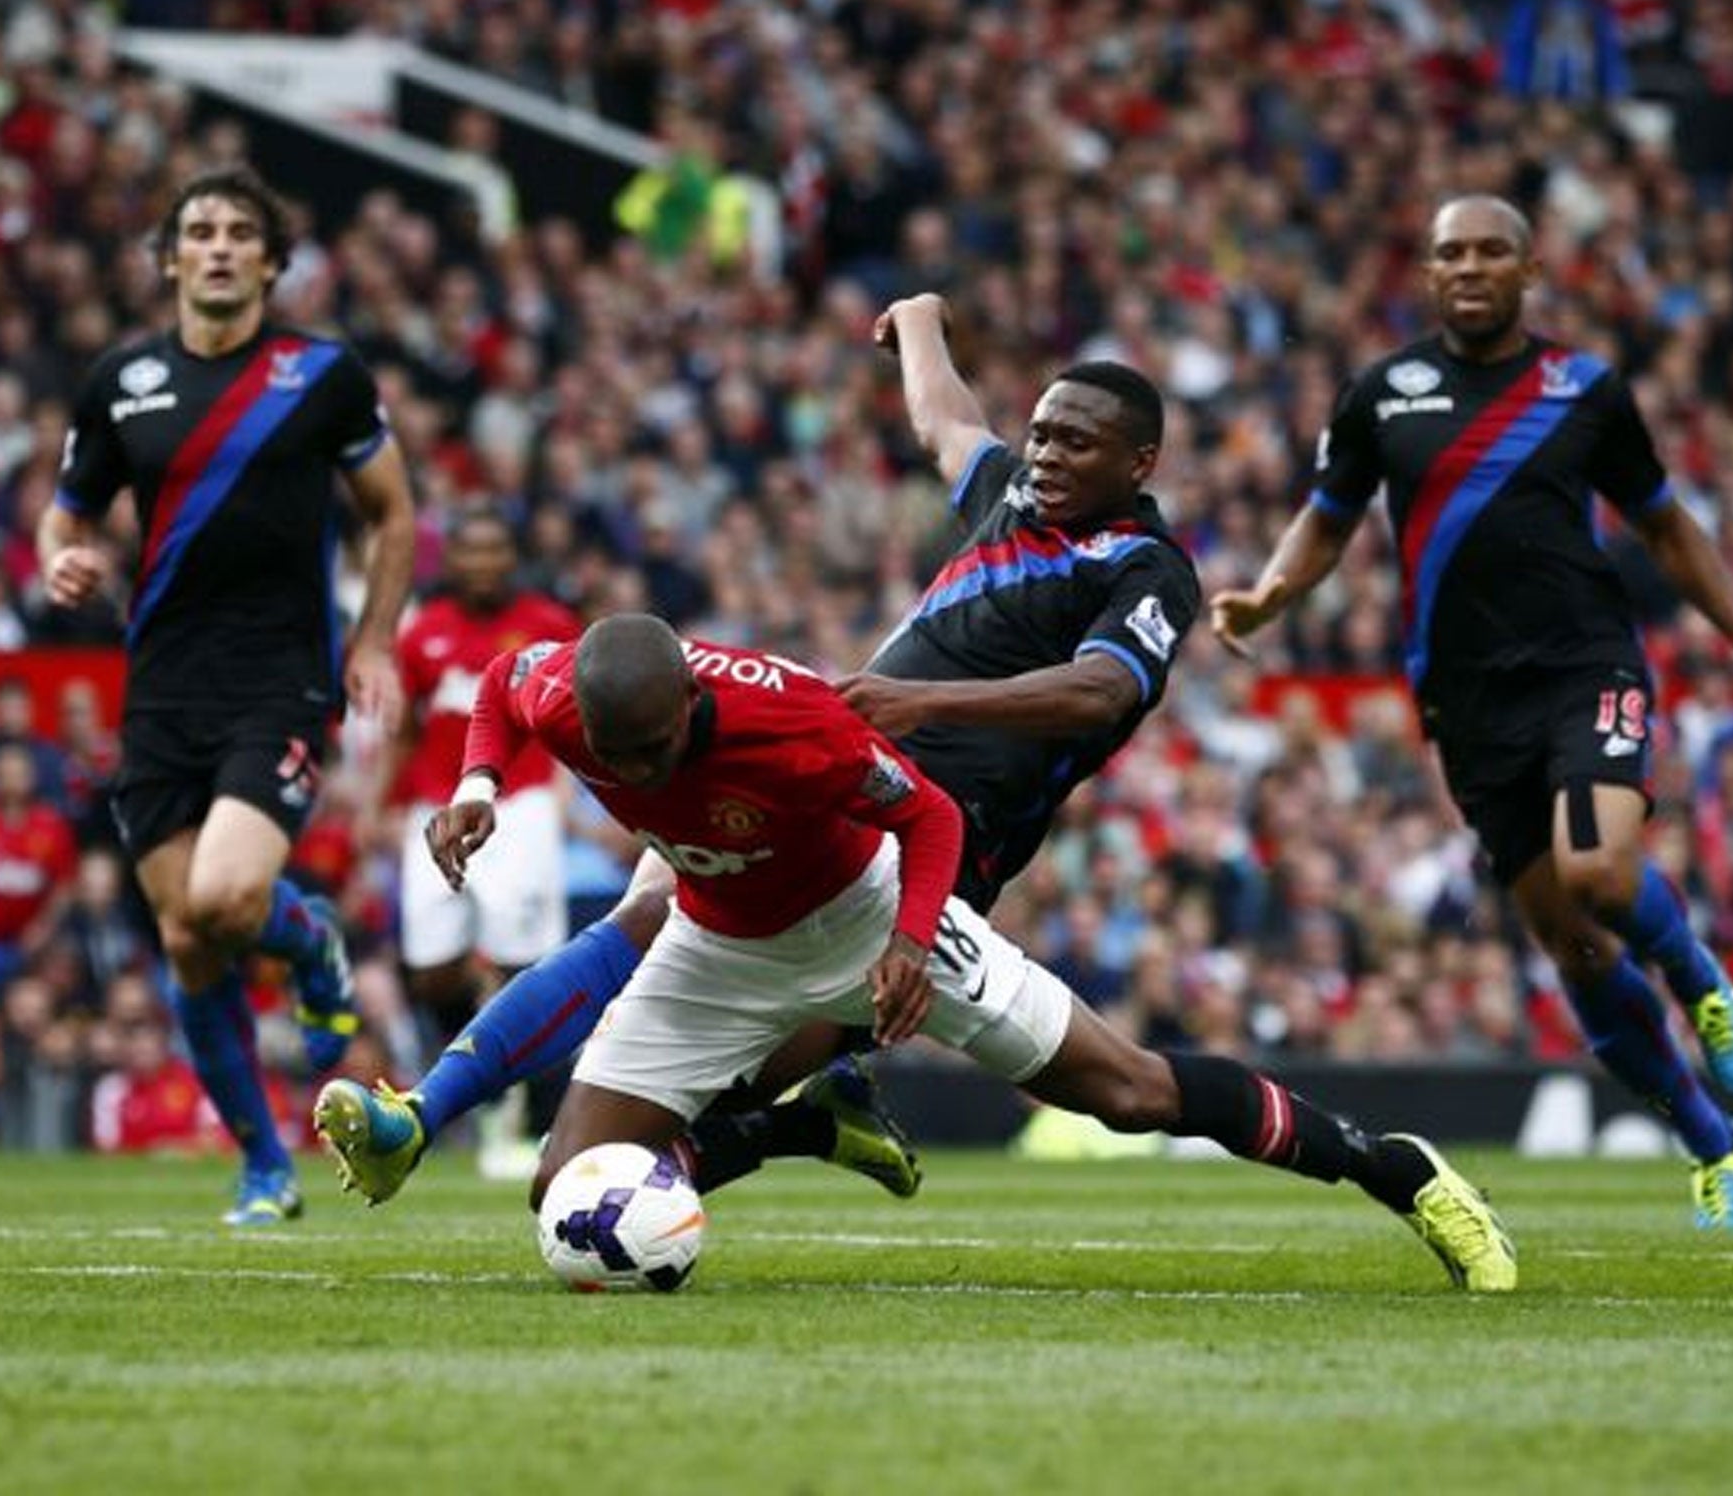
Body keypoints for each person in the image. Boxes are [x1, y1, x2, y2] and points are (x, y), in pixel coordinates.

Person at [315, 298, 1207, 1203]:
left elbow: (1100, 689)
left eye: (1072, 443)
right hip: (843, 776)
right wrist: (927, 321)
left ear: (1136, 462)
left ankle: (778, 1117)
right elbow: (947, 421)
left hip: (940, 821)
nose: (1046, 457)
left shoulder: (1141, 568)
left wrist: (925, 700)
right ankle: (444, 1116)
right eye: (1043, 437)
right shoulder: (1013, 498)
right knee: (664, 940)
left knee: (738, 1018)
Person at [388, 615, 1518, 1290]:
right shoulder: (569, 694)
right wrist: (479, 783)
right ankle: (802, 1123)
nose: (634, 776)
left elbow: (928, 816)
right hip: (715, 944)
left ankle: (1392, 1168)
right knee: (561, 1193)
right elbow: (499, 685)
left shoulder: (793, 723)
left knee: (1128, 1093)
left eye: (654, 749)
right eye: (615, 757)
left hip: (870, 916)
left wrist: (914, 943)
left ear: (690, 695)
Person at [1210, 194, 1733, 1230]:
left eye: (1491, 251)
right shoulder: (1378, 396)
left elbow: (1668, 532)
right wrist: (1269, 595)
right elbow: (1325, 519)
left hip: (1585, 664)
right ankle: (1711, 1145)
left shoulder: (1582, 389)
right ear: (1428, 272)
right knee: (1571, 946)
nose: (1469, 267)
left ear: (1528, 270)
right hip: (1465, 697)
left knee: (1599, 874)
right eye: (1450, 253)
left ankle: (1693, 973)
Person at [38, 165, 417, 1226]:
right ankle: (263, 1163)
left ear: (269, 259)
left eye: (237, 232)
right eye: (197, 230)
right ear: (169, 257)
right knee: (189, 941)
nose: (215, 246)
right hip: (160, 691)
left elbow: (392, 513)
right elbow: (64, 516)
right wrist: (58, 559)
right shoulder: (121, 382)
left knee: (223, 901)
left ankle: (310, 941)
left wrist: (375, 636)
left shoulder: (320, 374)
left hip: (281, 683)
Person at [372, 502, 579, 1173]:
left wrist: (572, 800)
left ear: (511, 558)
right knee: (431, 968)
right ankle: (485, 1087)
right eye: (471, 551)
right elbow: (406, 729)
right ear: (451, 559)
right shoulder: (422, 633)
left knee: (527, 965)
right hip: (435, 806)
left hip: (519, 810)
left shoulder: (547, 626)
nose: (483, 563)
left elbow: (576, 720)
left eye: (495, 551)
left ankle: (534, 1114)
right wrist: (378, 802)